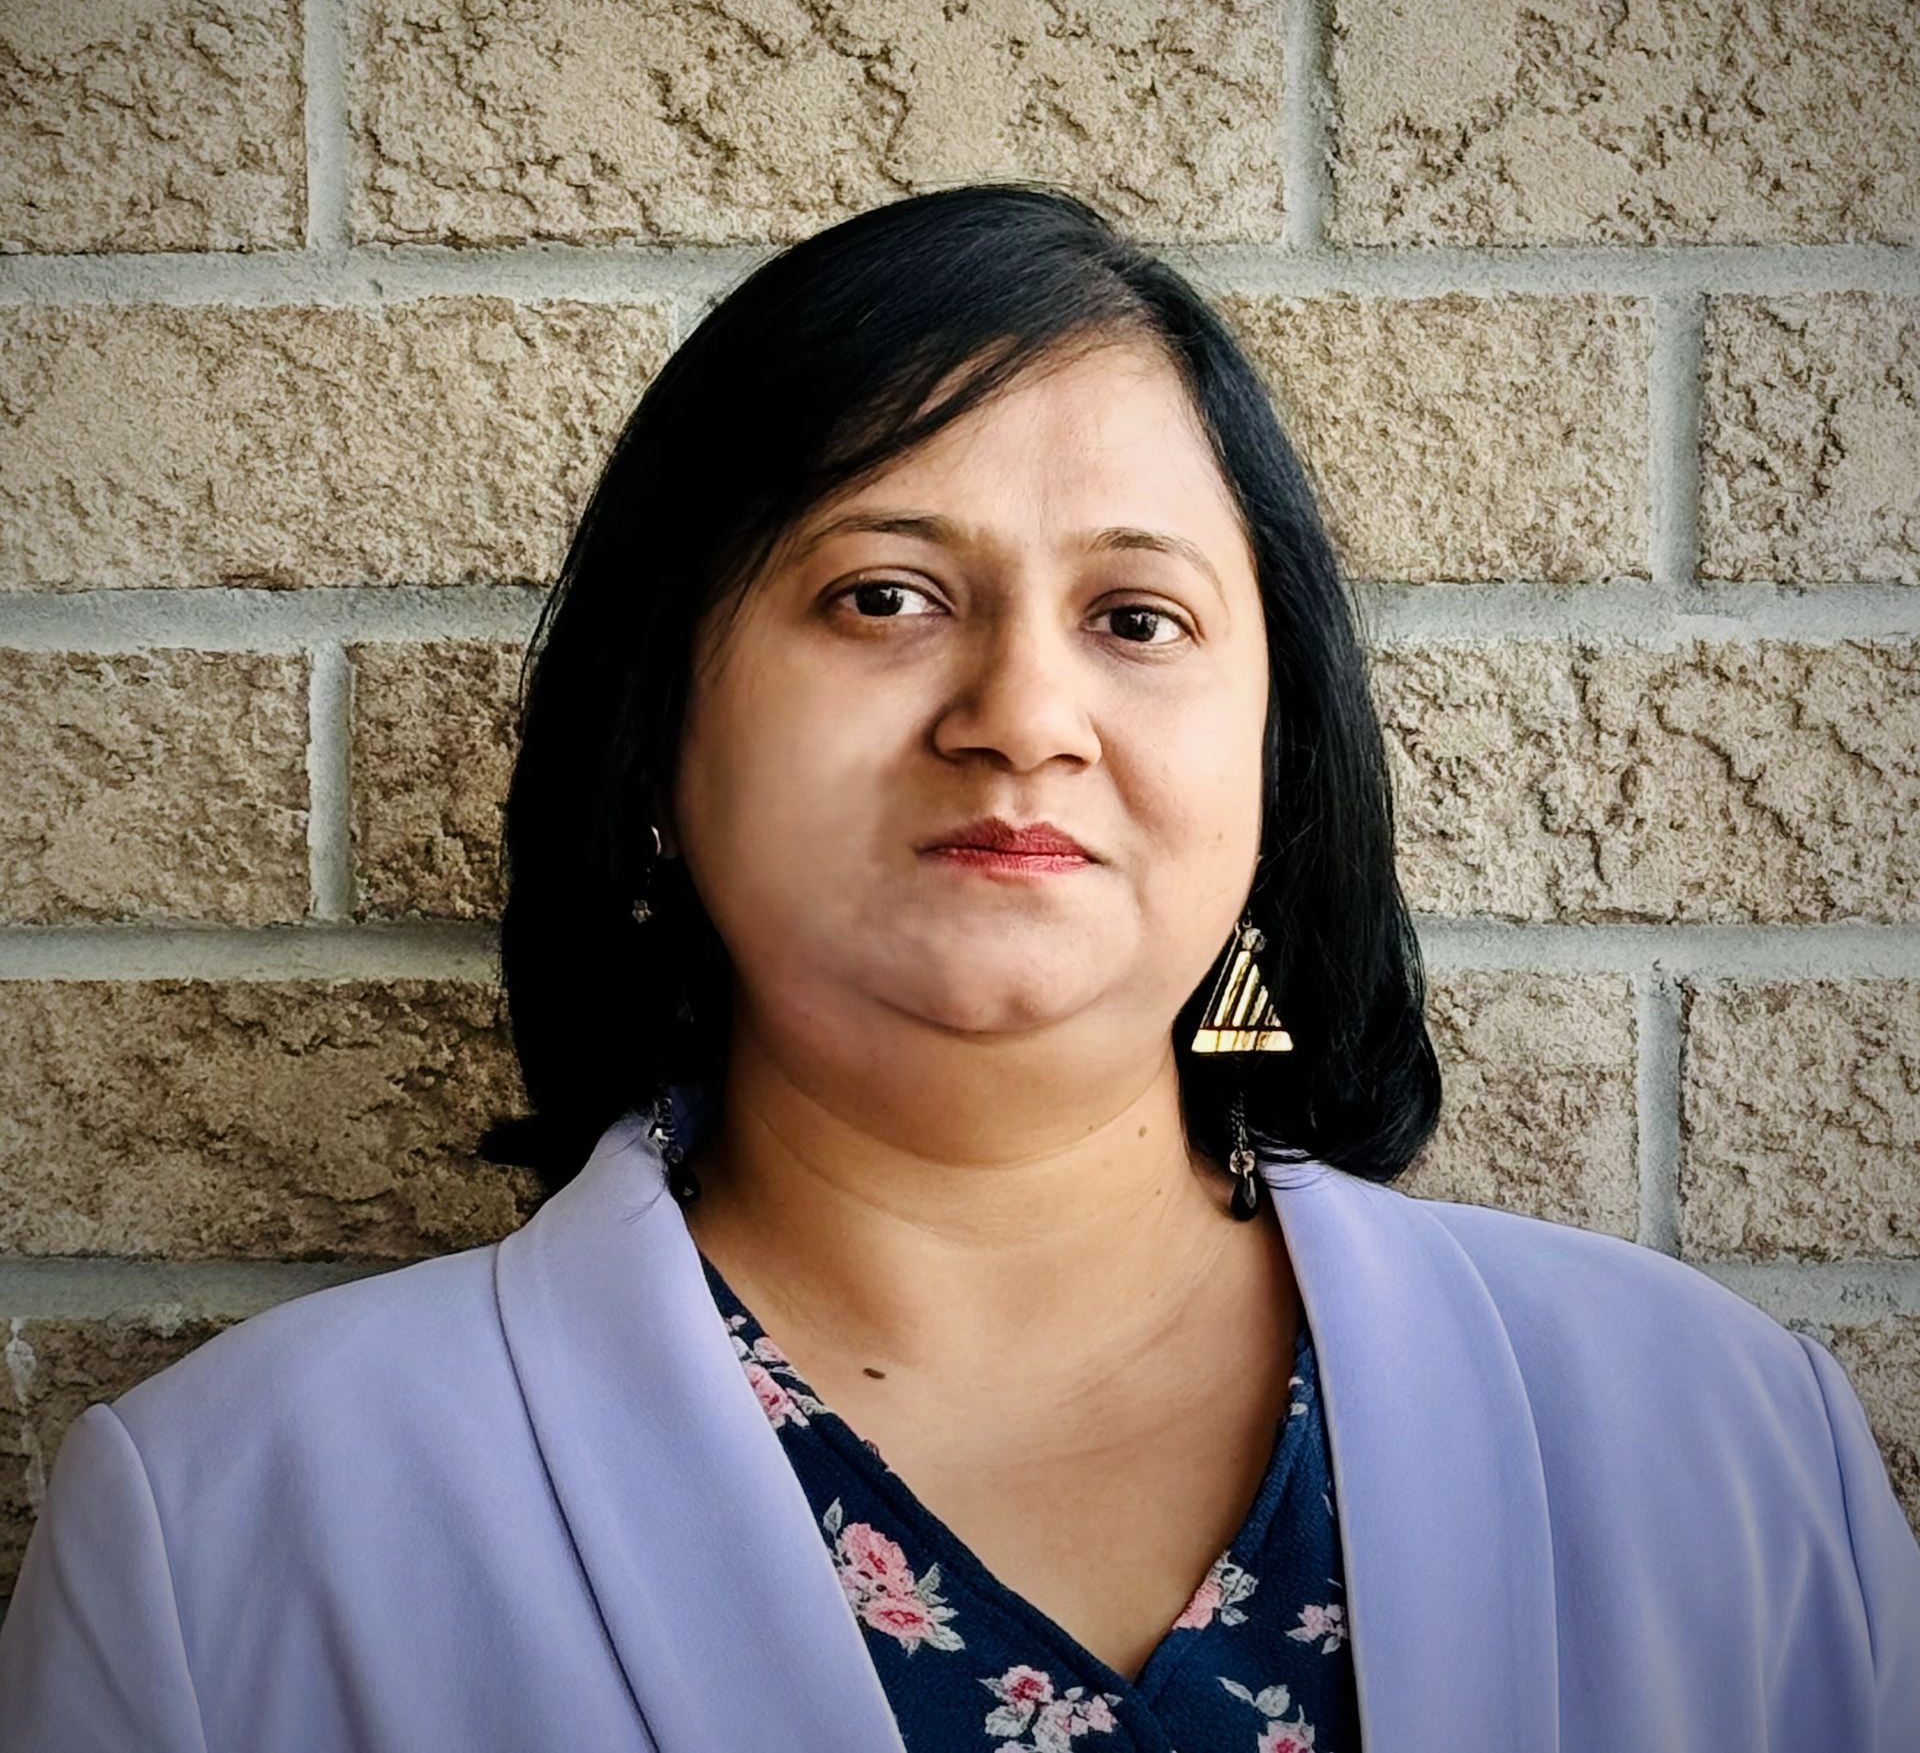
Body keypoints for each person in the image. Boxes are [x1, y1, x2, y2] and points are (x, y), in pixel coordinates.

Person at [1, 183, 1916, 1753]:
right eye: (883, 596)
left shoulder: (1729, 1451)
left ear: (1277, 765)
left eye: (1138, 616)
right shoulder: (223, 1533)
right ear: (659, 734)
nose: (1023, 714)